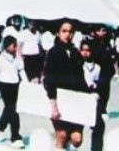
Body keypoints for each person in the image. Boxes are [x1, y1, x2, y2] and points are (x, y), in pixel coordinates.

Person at [44, 20, 88, 150]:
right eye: (64, 31)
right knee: (62, 135)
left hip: (76, 100)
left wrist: (89, 96)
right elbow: (49, 80)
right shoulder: (53, 52)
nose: (67, 34)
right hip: (59, 100)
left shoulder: (75, 52)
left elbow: (81, 78)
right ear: (58, 33)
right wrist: (54, 106)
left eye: (70, 32)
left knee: (77, 139)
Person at [0, 35, 26, 148]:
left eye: (16, 45)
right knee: (13, 110)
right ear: (6, 46)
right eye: (13, 45)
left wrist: (27, 85)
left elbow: (21, 72)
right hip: (4, 85)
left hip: (15, 85)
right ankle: (15, 137)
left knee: (10, 108)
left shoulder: (17, 58)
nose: (15, 48)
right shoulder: (0, 59)